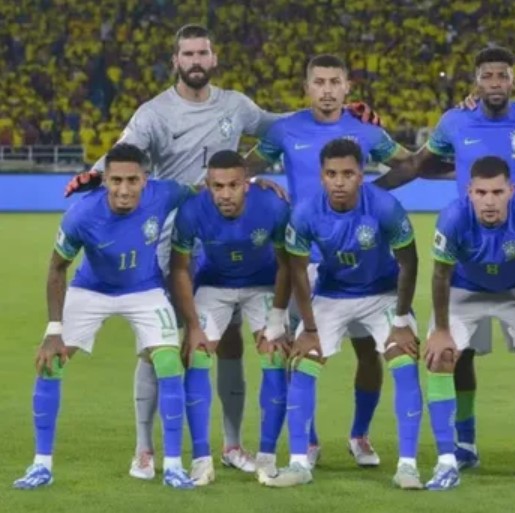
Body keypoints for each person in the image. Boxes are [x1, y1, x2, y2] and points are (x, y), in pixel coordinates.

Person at [63, 25, 379, 478]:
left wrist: (340, 113)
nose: (195, 61)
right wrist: (93, 177)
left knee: (229, 344)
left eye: (202, 53)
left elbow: (283, 124)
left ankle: (231, 445)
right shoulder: (154, 113)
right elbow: (121, 152)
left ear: (213, 59)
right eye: (188, 54)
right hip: (170, 239)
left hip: (225, 235)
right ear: (176, 60)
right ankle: (144, 448)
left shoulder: (235, 105)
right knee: (159, 345)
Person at [379, 46, 515, 478]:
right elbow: (418, 165)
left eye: (502, 75)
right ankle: (463, 444)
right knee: (456, 355)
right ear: (476, 81)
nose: (495, 83)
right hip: (467, 264)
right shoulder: (455, 121)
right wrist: (373, 190)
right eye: (487, 76)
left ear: (513, 80)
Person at [248, 54, 421, 466]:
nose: (327, 90)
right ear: (307, 87)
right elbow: (241, 169)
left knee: (368, 353)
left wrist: (373, 191)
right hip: (304, 259)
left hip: (360, 258)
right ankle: (307, 441)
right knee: (300, 349)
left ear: (347, 87)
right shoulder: (285, 129)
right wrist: (256, 180)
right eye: (319, 82)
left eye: (334, 82)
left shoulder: (367, 131)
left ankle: (359, 434)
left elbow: (412, 163)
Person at [13, 144, 195, 490]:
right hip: (91, 290)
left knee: (169, 362)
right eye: (116, 181)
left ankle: (173, 466)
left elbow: (203, 189)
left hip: (144, 289)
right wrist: (54, 330)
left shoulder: (165, 193)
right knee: (50, 362)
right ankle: (41, 465)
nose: (124, 189)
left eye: (132, 180)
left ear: (145, 180)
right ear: (105, 180)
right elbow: (57, 268)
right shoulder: (82, 215)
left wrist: (256, 183)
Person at [263, 138, 423, 489]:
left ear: (361, 175)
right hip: (332, 293)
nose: (339, 181)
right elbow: (297, 270)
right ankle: (299, 463)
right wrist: (308, 329)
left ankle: (407, 466)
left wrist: (401, 322)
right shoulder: (305, 212)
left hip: (382, 293)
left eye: (348, 174)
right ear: (321, 175)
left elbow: (409, 264)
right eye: (332, 174)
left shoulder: (384, 206)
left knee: (403, 357)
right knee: (304, 360)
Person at [424, 156, 515, 491]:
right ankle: (452, 457)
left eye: (497, 192)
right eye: (481, 192)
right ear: (469, 192)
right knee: (441, 357)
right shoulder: (453, 217)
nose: (489, 201)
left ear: (512, 190)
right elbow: (440, 276)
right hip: (464, 289)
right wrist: (441, 332)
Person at [169, 150, 291, 485]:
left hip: (262, 285)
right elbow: (179, 269)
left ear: (246, 183)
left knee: (275, 354)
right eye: (218, 186)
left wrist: (277, 318)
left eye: (233, 185)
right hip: (214, 285)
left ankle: (267, 459)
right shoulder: (191, 211)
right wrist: (193, 326)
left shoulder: (273, 206)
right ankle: (201, 460)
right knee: (196, 355)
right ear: (207, 185)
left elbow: (287, 264)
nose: (225, 194)